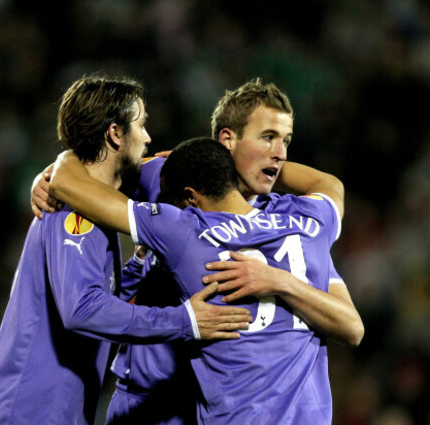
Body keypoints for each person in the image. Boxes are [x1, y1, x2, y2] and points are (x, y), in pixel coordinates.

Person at [31, 79, 363, 424]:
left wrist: (279, 280)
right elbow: (93, 170)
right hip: (152, 397)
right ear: (227, 140)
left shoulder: (291, 221)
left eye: (286, 141)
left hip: (213, 406)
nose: (280, 152)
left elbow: (351, 325)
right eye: (268, 138)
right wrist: (50, 174)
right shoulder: (167, 175)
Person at [0, 75, 252, 425]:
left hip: (56, 411)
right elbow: (82, 309)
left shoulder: (95, 204)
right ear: (116, 134)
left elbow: (95, 293)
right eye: (141, 125)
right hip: (26, 412)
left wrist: (139, 265)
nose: (148, 137)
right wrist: (184, 320)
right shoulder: (72, 210)